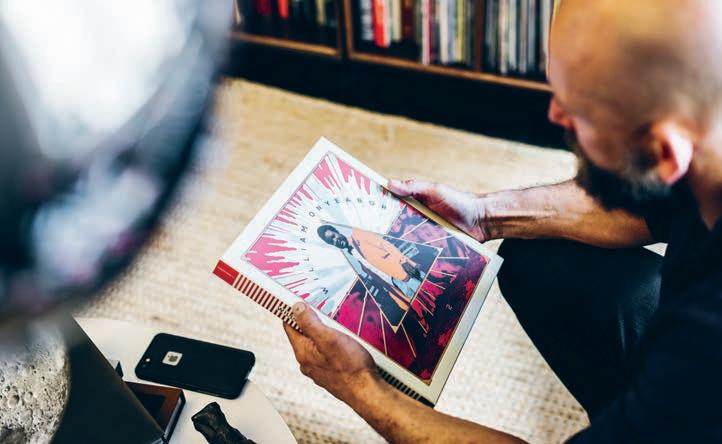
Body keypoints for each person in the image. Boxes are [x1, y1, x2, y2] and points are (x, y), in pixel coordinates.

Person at [284, 0, 722, 442]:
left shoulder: (702, 350)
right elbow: (645, 207)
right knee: (539, 260)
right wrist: (484, 215)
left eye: (578, 109)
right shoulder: (706, 131)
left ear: (665, 153)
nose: (555, 115)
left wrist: (361, 387)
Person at [317, 224, 425, 326]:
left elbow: (385, 245)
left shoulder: (358, 234)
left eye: (334, 236)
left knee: (427, 292)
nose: (335, 241)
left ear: (337, 231)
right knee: (420, 307)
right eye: (332, 241)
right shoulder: (352, 254)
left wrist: (404, 261)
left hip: (404, 271)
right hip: (393, 285)